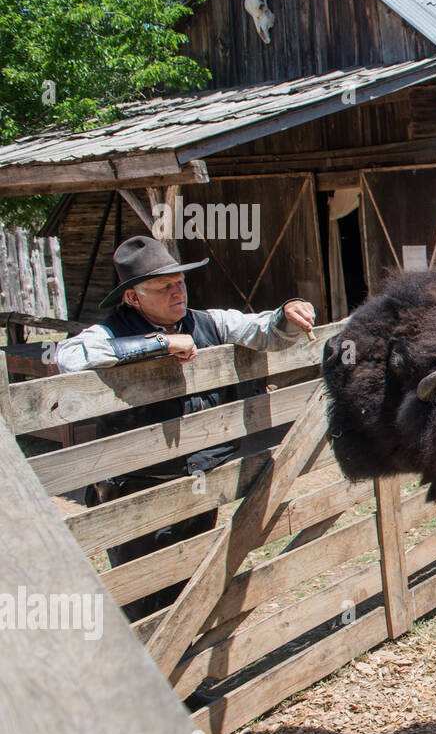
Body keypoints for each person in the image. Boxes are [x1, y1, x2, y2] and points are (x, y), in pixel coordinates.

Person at [56, 235, 317, 619]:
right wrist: (158, 343)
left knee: (193, 583)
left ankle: (183, 669)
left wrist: (287, 313)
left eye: (179, 281)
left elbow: (262, 330)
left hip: (200, 480)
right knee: (142, 593)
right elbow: (68, 356)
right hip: (139, 487)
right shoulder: (109, 333)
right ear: (132, 297)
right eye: (163, 286)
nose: (177, 291)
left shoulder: (208, 321)